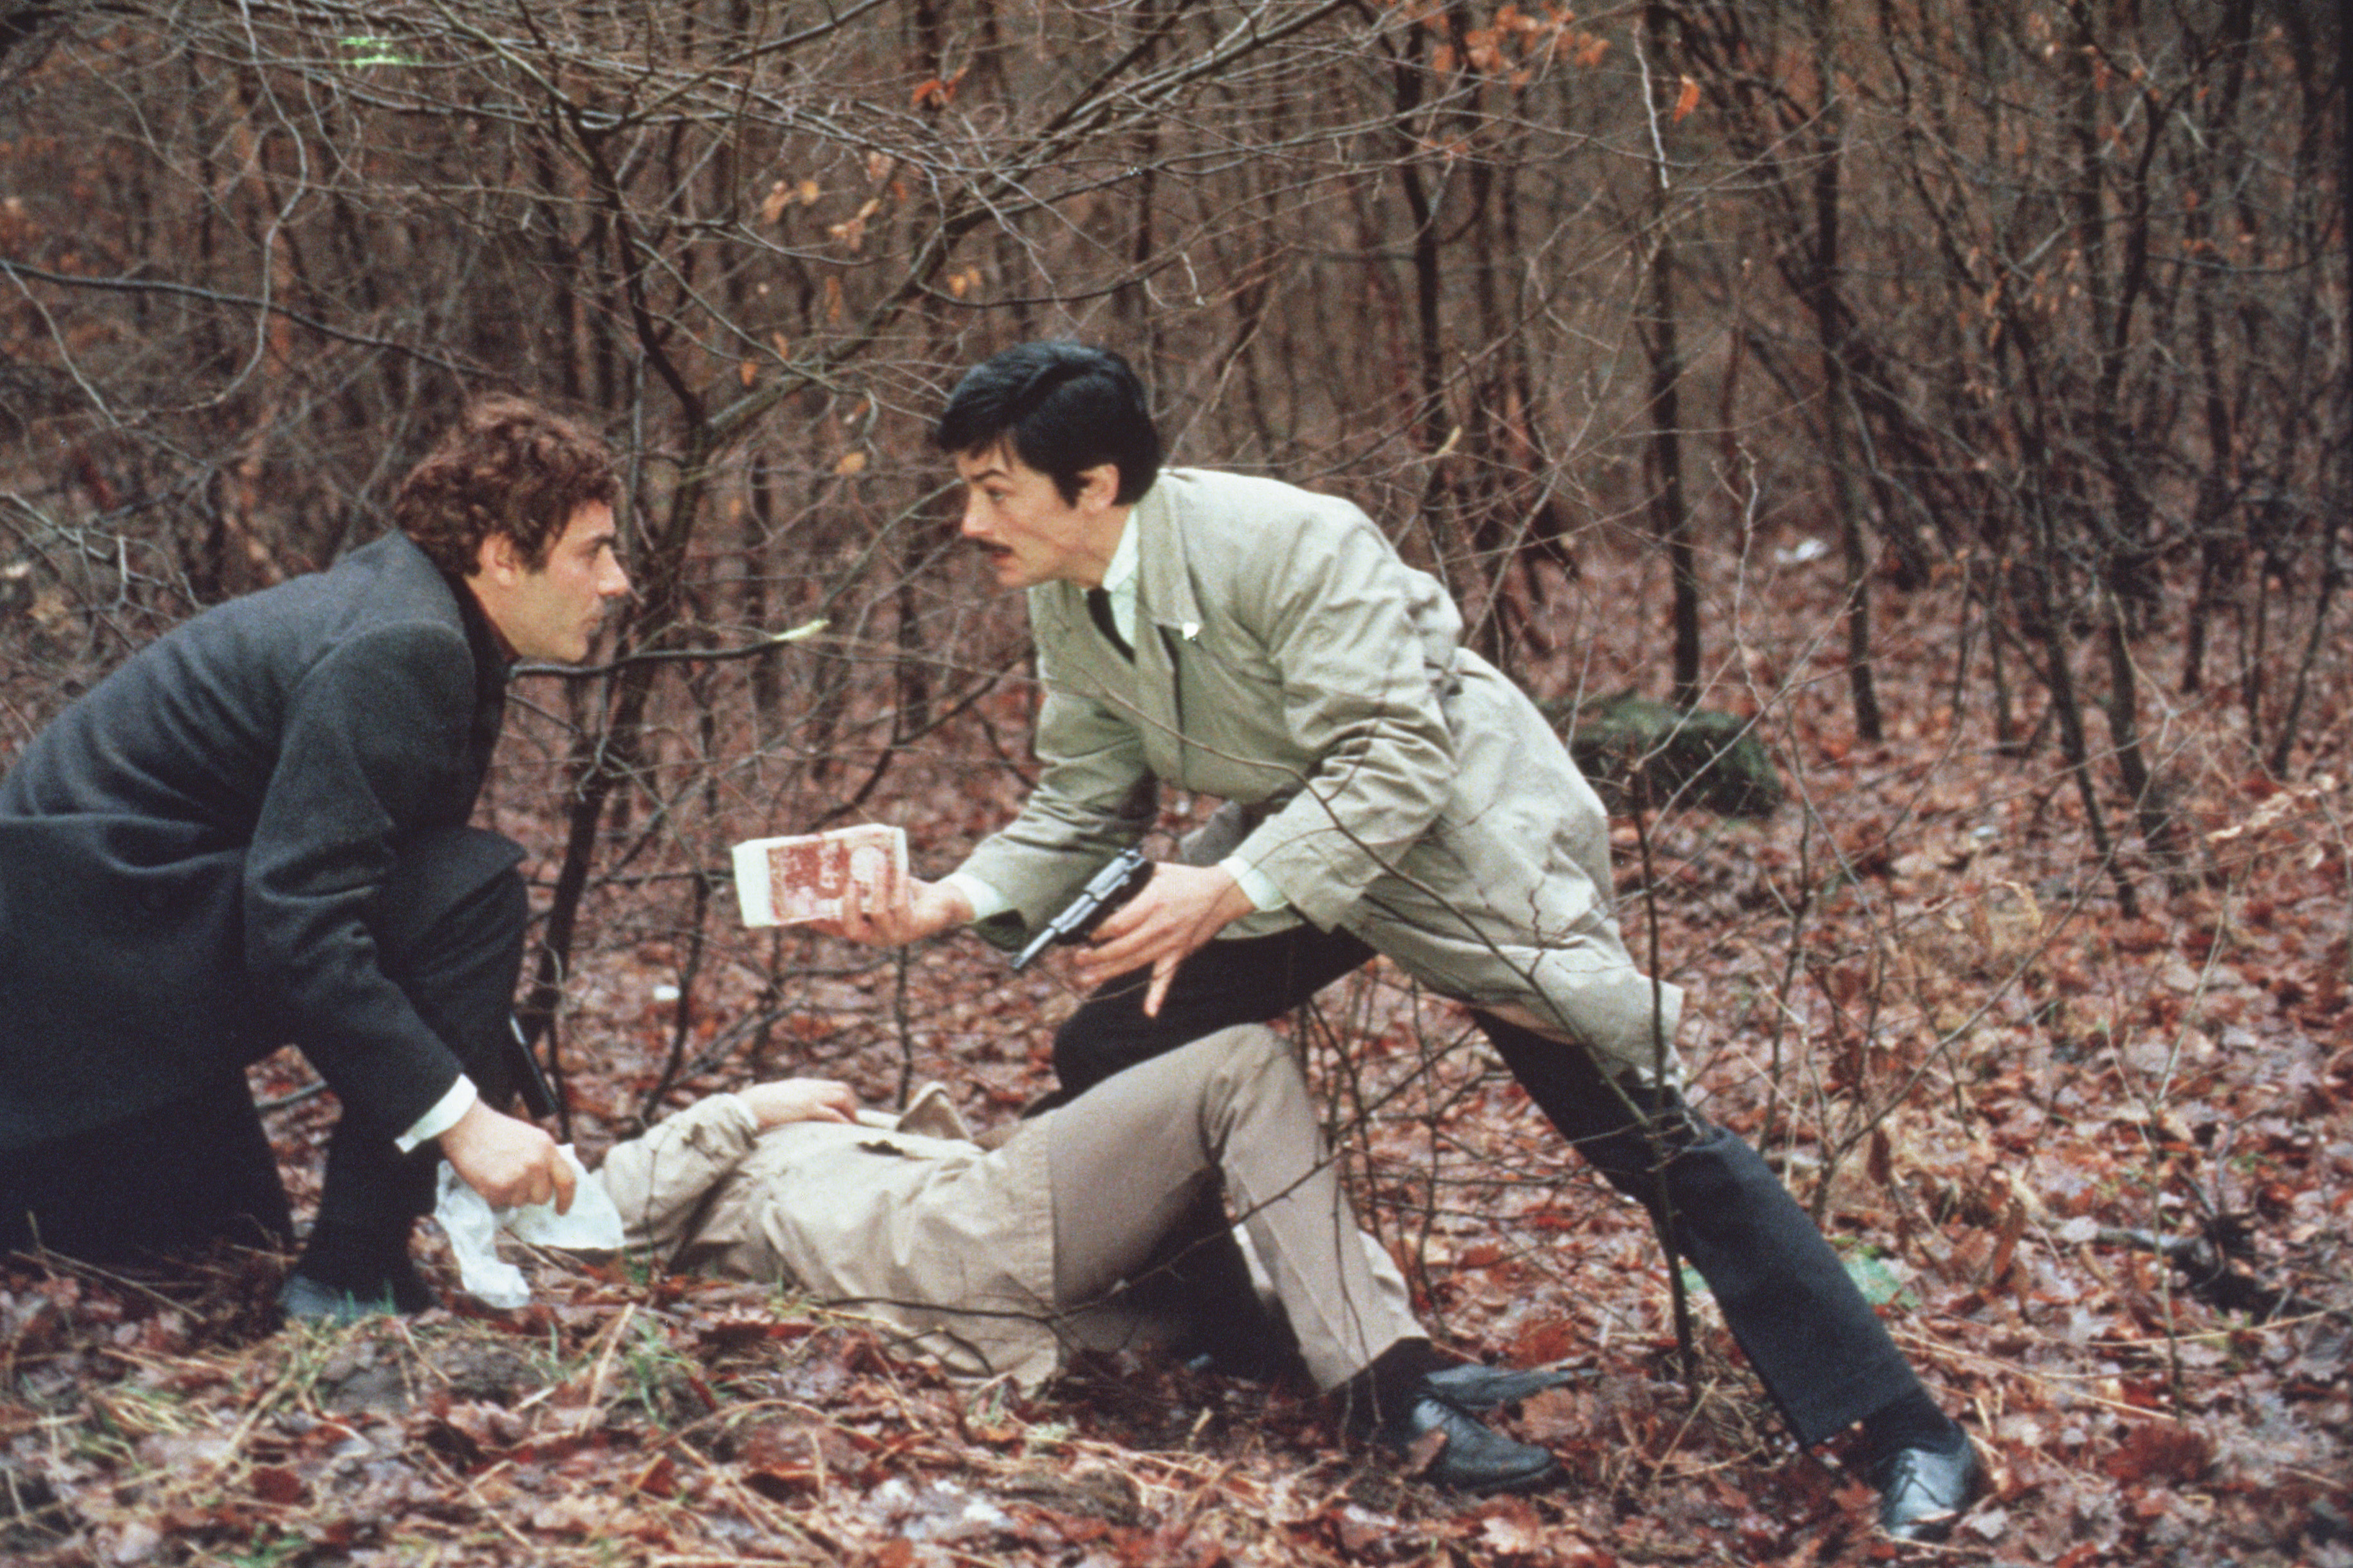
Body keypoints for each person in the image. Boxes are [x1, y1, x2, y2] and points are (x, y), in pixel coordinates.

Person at [821, 342, 1983, 1540]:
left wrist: (1225, 885)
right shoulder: (1070, 596)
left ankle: (1909, 1433)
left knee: (1650, 1136)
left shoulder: (1289, 541)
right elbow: (1079, 803)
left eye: (996, 489)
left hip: (1459, 842)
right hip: (1292, 848)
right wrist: (947, 900)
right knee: (1120, 1042)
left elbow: (1400, 759)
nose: (969, 520)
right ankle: (1269, 1342)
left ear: (1096, 483)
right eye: (967, 487)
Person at [0, 395, 630, 1321]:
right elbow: (303, 921)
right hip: (69, 973)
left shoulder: (420, 611)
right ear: (501, 554)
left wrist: (481, 1088)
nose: (617, 581)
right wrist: (460, 1118)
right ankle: (353, 1276)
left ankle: (337, 1260)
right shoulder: (403, 645)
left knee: (231, 1232)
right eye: (593, 550)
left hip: (108, 947)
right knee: (474, 891)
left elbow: (363, 881)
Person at [595, 1022, 1565, 1493]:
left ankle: (1409, 1369)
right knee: (1238, 1067)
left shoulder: (731, 1165)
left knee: (1276, 1244)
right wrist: (743, 1108)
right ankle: (1393, 1398)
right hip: (966, 1250)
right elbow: (610, 1228)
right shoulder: (635, 1172)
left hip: (1042, 1290)